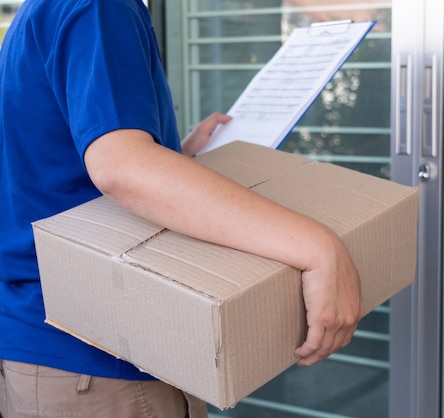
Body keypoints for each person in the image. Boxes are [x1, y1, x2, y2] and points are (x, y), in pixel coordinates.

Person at [0, 0, 364, 417]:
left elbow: (52, 162)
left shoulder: (43, 9)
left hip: (43, 342)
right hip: (97, 358)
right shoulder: (100, 7)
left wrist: (171, 156)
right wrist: (320, 248)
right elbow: (122, 169)